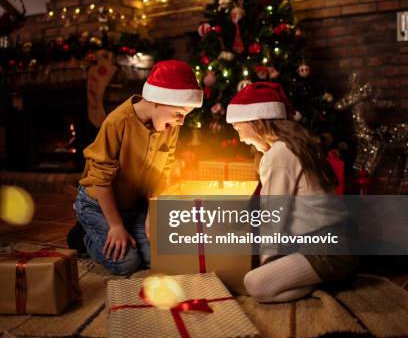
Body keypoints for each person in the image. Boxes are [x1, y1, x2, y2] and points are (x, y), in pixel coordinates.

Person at [226, 81, 358, 303]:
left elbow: (272, 218)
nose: (240, 138)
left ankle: (324, 280)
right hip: (339, 241)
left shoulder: (278, 154)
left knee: (254, 284)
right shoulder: (294, 145)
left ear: (256, 122)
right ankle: (327, 277)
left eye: (239, 129)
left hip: (328, 249)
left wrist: (267, 266)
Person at [69, 60, 203, 275]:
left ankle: (115, 227)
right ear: (157, 101)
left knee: (156, 257)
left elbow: (162, 173)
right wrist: (115, 226)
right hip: (97, 203)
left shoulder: (169, 127)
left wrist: (152, 215)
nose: (181, 122)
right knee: (126, 263)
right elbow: (100, 179)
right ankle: (85, 236)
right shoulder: (117, 122)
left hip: (133, 206)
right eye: (179, 113)